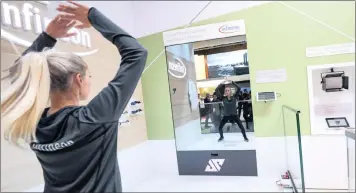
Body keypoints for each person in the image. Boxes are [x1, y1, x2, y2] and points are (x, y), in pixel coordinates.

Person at [1, 1, 147, 193]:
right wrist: (93, 16)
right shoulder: (94, 118)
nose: (90, 80)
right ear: (79, 80)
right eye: (88, 76)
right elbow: (137, 53)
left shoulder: (33, 123)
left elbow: (19, 77)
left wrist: (48, 37)